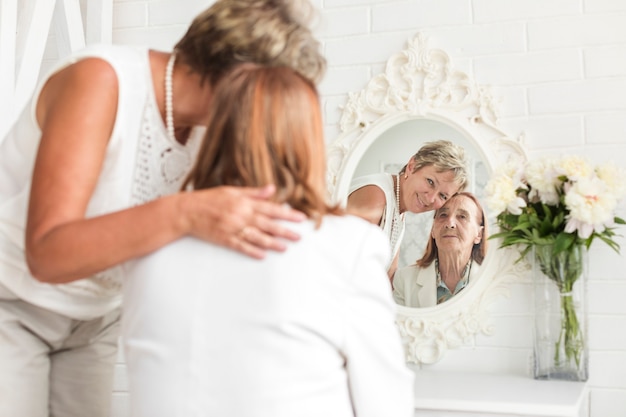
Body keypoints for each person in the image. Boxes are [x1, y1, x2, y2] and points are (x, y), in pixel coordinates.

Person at [0, 1, 327, 416]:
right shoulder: (100, 80)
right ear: (239, 79)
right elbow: (46, 254)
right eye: (275, 92)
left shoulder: (212, 128)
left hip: (95, 320)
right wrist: (185, 213)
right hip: (13, 304)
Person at [121, 64, 415, 417]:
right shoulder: (348, 246)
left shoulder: (149, 250)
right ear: (306, 144)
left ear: (214, 138)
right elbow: (385, 404)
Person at [347, 140, 469, 283]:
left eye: (442, 196)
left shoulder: (399, 208)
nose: (430, 198)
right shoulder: (375, 195)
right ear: (412, 166)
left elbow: (389, 275)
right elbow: (347, 267)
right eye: (430, 182)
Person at [393, 192, 488, 308]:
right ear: (433, 229)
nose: (450, 224)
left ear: (479, 234)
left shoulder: (492, 281)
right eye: (443, 215)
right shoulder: (404, 280)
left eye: (462, 216)